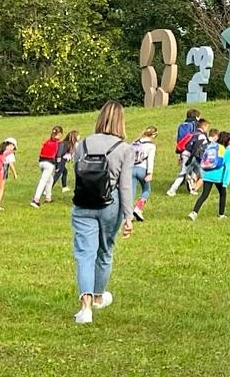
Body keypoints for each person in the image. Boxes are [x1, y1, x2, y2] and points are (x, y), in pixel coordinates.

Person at [70, 100, 135, 324]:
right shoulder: (125, 149)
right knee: (105, 252)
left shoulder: (84, 143)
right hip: (111, 203)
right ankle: (98, 297)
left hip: (83, 203)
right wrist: (128, 217)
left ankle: (85, 307)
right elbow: (125, 185)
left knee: (84, 254)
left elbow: (77, 172)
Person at [189, 131, 230, 220]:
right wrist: (225, 182)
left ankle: (194, 212)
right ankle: (221, 214)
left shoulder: (213, 147)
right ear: (229, 142)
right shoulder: (229, 152)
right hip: (219, 177)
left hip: (208, 174)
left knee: (204, 195)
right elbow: (228, 168)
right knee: (222, 194)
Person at [167, 118, 209, 196]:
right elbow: (198, 147)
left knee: (195, 170)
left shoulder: (192, 133)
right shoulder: (202, 136)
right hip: (191, 156)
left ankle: (191, 184)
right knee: (183, 173)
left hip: (185, 153)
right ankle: (172, 190)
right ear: (204, 127)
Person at [31, 126, 63, 208]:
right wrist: (58, 166)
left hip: (41, 162)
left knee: (50, 179)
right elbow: (58, 156)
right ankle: (36, 200)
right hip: (49, 164)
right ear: (59, 134)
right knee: (43, 181)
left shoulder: (47, 142)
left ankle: (48, 197)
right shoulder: (58, 143)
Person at [131, 126, 157, 221]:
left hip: (131, 168)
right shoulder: (151, 146)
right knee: (146, 190)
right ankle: (138, 208)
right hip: (142, 169)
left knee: (131, 192)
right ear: (153, 135)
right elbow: (150, 160)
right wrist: (150, 173)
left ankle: (128, 214)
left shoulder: (134, 142)